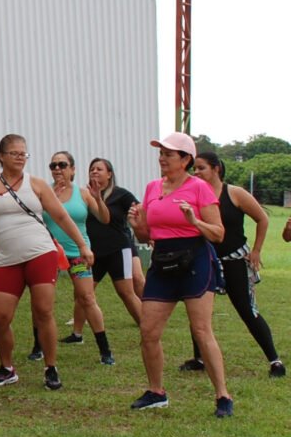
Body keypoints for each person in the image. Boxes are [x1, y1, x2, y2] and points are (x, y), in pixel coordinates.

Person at [0, 134, 92, 391]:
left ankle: (50, 367)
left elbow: (61, 216)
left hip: (40, 254)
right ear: (1, 156)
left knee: (43, 311)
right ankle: (6, 368)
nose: (20, 158)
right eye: (15, 153)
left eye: (24, 153)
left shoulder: (36, 184)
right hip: (6, 260)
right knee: (0, 316)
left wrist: (82, 245)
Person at [127, 132, 233, 417]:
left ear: (185, 160)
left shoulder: (199, 188)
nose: (162, 158)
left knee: (201, 330)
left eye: (168, 154)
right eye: (161, 153)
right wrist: (137, 226)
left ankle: (223, 396)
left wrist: (194, 220)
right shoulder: (152, 188)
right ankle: (156, 392)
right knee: (148, 331)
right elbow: (147, 235)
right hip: (163, 260)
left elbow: (218, 233)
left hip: (194, 260)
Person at [177, 152, 284, 377]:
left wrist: (256, 250)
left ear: (216, 169)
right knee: (198, 311)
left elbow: (262, 219)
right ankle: (200, 359)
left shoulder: (234, 193)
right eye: (194, 168)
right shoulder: (195, 195)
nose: (196, 172)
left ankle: (275, 361)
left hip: (234, 259)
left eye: (201, 168)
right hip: (206, 259)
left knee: (247, 310)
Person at [30, 151, 114, 365]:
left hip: (78, 254)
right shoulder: (44, 192)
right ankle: (38, 346)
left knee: (87, 298)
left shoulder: (83, 193)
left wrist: (98, 199)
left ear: (73, 169)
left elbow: (105, 219)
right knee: (41, 302)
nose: (57, 169)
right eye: (53, 165)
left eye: (62, 164)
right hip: (49, 253)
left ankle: (105, 350)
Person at [70, 158, 142, 329]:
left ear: (109, 174)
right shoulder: (84, 195)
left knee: (126, 292)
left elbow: (140, 210)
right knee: (82, 293)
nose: (94, 171)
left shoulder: (121, 194)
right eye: (92, 169)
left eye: (99, 169)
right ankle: (76, 334)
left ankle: (147, 326)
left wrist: (146, 230)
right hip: (93, 253)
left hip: (118, 249)